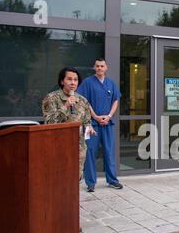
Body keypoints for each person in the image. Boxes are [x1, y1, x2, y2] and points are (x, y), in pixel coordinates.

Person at [77, 58, 123, 192]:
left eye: (102, 66)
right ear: (94, 67)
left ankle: (112, 180)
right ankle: (90, 183)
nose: (99, 68)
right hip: (91, 124)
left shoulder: (111, 83)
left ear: (106, 68)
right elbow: (84, 101)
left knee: (109, 152)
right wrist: (96, 116)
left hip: (108, 123)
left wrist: (108, 116)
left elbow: (115, 101)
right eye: (97, 66)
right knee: (90, 152)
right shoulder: (87, 83)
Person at [42, 67, 96, 179]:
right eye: (69, 79)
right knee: (58, 179)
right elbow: (49, 122)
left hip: (79, 147)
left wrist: (89, 128)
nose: (73, 83)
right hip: (58, 147)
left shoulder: (82, 100)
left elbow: (86, 120)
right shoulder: (51, 98)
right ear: (62, 81)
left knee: (75, 180)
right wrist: (65, 106)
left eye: (75, 80)